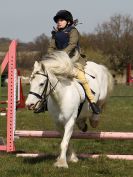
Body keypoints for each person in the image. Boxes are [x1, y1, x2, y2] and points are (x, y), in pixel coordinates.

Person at [36, 10, 100, 115]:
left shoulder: (73, 31)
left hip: (74, 59)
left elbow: (72, 45)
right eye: (57, 21)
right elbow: (51, 47)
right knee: (48, 78)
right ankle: (45, 103)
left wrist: (61, 55)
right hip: (60, 61)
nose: (58, 22)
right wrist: (51, 56)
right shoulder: (55, 33)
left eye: (61, 20)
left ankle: (92, 102)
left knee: (82, 78)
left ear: (68, 22)